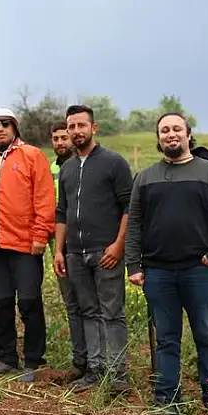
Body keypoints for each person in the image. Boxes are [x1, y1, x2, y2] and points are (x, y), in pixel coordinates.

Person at [125, 112, 208, 408]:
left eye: (177, 129)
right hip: (158, 272)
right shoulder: (146, 178)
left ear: (189, 135)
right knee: (166, 340)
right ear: (159, 139)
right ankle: (167, 402)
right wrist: (133, 265)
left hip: (200, 271)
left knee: (207, 337)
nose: (170, 134)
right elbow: (134, 224)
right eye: (164, 130)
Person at [0, 108, 55, 383]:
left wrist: (41, 235)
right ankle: (6, 357)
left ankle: (34, 360)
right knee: (0, 303)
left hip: (25, 245)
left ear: (15, 128)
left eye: (6, 124)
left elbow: (44, 198)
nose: (1, 129)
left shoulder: (32, 156)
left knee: (29, 302)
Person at [53, 105, 133, 392]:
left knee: (112, 312)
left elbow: (129, 207)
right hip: (75, 252)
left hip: (105, 251)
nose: (76, 131)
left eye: (81, 126)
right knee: (88, 312)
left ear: (93, 128)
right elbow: (61, 212)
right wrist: (59, 251)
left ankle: (118, 374)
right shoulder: (68, 168)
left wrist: (118, 245)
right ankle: (94, 370)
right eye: (71, 127)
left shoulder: (114, 163)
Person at [49, 120, 86, 380]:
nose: (61, 142)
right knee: (71, 302)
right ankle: (79, 359)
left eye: (65, 137)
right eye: (56, 138)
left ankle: (99, 361)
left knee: (90, 304)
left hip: (85, 244)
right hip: (59, 244)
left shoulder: (85, 165)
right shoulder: (51, 167)